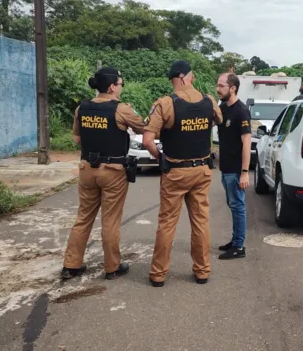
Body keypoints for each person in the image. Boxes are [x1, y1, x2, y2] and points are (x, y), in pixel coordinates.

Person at [141, 60, 223, 287]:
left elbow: (148, 140)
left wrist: (160, 158)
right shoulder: (208, 101)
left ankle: (158, 275)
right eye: (192, 75)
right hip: (202, 170)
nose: (194, 78)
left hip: (176, 172)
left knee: (167, 223)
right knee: (200, 222)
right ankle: (202, 271)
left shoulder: (165, 103)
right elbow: (219, 119)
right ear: (185, 77)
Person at [60, 66, 145, 281]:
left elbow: (78, 139)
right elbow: (144, 128)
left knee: (83, 217)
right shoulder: (121, 109)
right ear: (111, 86)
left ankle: (71, 265)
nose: (121, 88)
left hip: (87, 169)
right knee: (110, 220)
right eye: (120, 84)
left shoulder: (82, 108)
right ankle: (111, 267)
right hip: (112, 171)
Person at [215, 72, 252, 260]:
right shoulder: (223, 108)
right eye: (218, 85)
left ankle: (239, 246)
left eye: (221, 86)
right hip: (226, 167)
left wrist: (245, 172)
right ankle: (235, 239)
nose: (218, 89)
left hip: (236, 170)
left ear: (233, 88)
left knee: (238, 206)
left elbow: (247, 141)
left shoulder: (241, 111)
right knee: (232, 205)